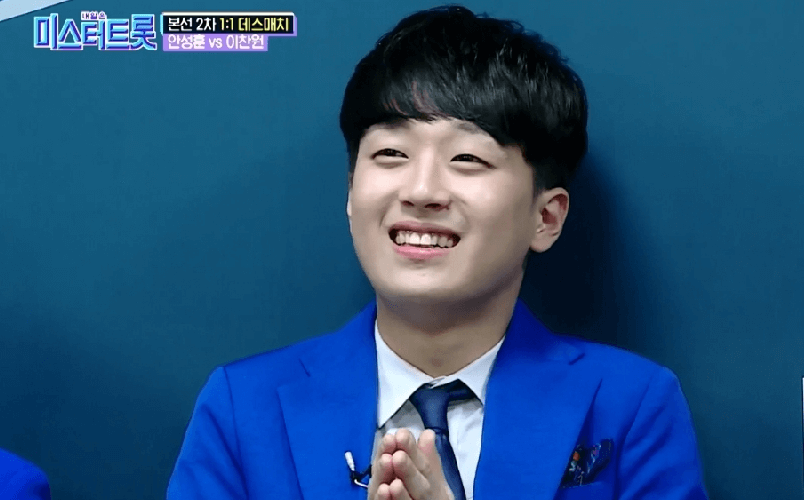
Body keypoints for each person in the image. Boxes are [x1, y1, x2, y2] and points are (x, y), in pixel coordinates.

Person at [167, 5, 709, 499]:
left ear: (545, 218)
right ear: (351, 193)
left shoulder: (632, 405)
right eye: (391, 152)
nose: (421, 190)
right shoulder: (242, 408)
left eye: (468, 159)